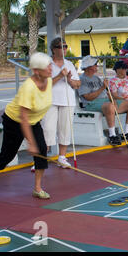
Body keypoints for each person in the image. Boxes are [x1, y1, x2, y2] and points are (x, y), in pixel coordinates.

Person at [0, 53, 53, 199]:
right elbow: (23, 119)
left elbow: (52, 83)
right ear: (36, 71)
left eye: (50, 65)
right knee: (8, 155)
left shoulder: (48, 80)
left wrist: (64, 76)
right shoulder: (28, 88)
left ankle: (37, 188)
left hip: (33, 121)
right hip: (14, 121)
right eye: (47, 66)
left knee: (42, 149)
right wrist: (30, 143)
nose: (51, 68)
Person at [77, 56, 128, 144]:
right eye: (95, 64)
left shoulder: (96, 78)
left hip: (105, 102)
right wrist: (102, 87)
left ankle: (127, 133)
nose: (97, 66)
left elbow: (107, 92)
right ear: (89, 67)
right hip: (91, 103)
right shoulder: (83, 79)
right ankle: (112, 135)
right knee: (110, 106)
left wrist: (112, 99)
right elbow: (87, 97)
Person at [40, 38, 81, 168]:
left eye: (65, 46)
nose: (63, 49)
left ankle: (62, 157)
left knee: (65, 130)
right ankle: (41, 159)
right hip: (50, 101)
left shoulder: (69, 64)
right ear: (53, 49)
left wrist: (69, 79)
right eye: (60, 47)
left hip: (67, 101)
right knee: (47, 129)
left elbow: (77, 84)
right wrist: (59, 76)